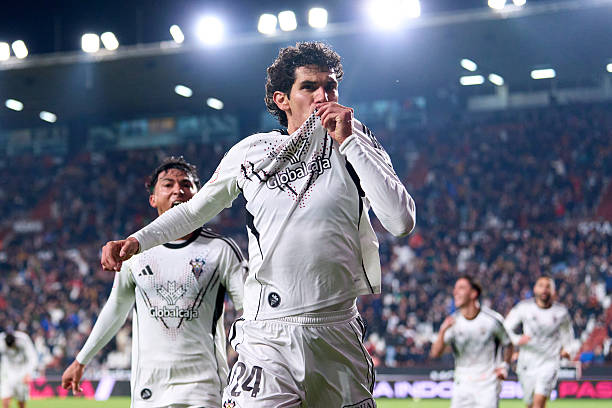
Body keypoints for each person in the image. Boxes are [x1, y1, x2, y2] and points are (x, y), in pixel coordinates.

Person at [100, 42, 416, 407]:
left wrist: (348, 141)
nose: (323, 96)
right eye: (309, 87)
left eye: (330, 86)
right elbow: (193, 212)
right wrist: (137, 241)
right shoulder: (252, 153)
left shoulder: (354, 139)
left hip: (337, 332)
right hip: (269, 333)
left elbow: (401, 221)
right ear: (283, 100)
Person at [62, 157, 247, 407]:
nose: (178, 190)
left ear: (199, 196)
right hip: (149, 389)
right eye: (168, 184)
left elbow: (250, 309)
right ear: (153, 199)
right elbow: (116, 308)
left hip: (204, 387)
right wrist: (81, 360)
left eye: (186, 184)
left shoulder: (221, 249)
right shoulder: (134, 252)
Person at [430, 276, 512, 408]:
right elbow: (435, 353)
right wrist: (442, 331)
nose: (455, 292)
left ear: (473, 293)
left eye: (461, 288)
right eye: (455, 288)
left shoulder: (493, 320)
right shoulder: (453, 322)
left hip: (488, 384)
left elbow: (508, 344)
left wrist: (504, 366)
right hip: (462, 384)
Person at [504, 276, 575, 408]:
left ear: (553, 291)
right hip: (527, 362)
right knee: (530, 404)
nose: (544, 289)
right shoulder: (524, 308)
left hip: (549, 361)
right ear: (535, 289)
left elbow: (568, 335)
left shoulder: (561, 312)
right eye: (541, 286)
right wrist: (517, 339)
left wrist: (568, 349)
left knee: (538, 402)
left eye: (548, 286)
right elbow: (505, 329)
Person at [0, 331, 38, 408]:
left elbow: (32, 358)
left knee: (21, 400)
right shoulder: (0, 341)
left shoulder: (24, 339)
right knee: (5, 397)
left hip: (22, 371)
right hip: (7, 371)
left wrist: (28, 373)